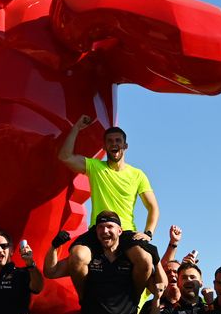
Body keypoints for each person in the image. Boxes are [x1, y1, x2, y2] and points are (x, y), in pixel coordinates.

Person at [45, 211, 145, 314]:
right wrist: (54, 246)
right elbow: (51, 271)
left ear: (120, 230)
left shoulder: (130, 258)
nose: (105, 231)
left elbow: (155, 278)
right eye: (101, 227)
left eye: (109, 227)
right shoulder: (90, 257)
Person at [58, 117, 159, 280]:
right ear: (104, 147)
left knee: (146, 261)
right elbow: (65, 157)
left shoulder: (138, 174)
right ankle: (84, 299)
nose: (114, 144)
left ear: (125, 146)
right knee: (77, 257)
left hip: (126, 232)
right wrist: (76, 127)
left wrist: (148, 233)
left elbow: (153, 207)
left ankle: (133, 302)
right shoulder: (95, 167)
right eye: (110, 141)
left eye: (118, 140)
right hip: (98, 230)